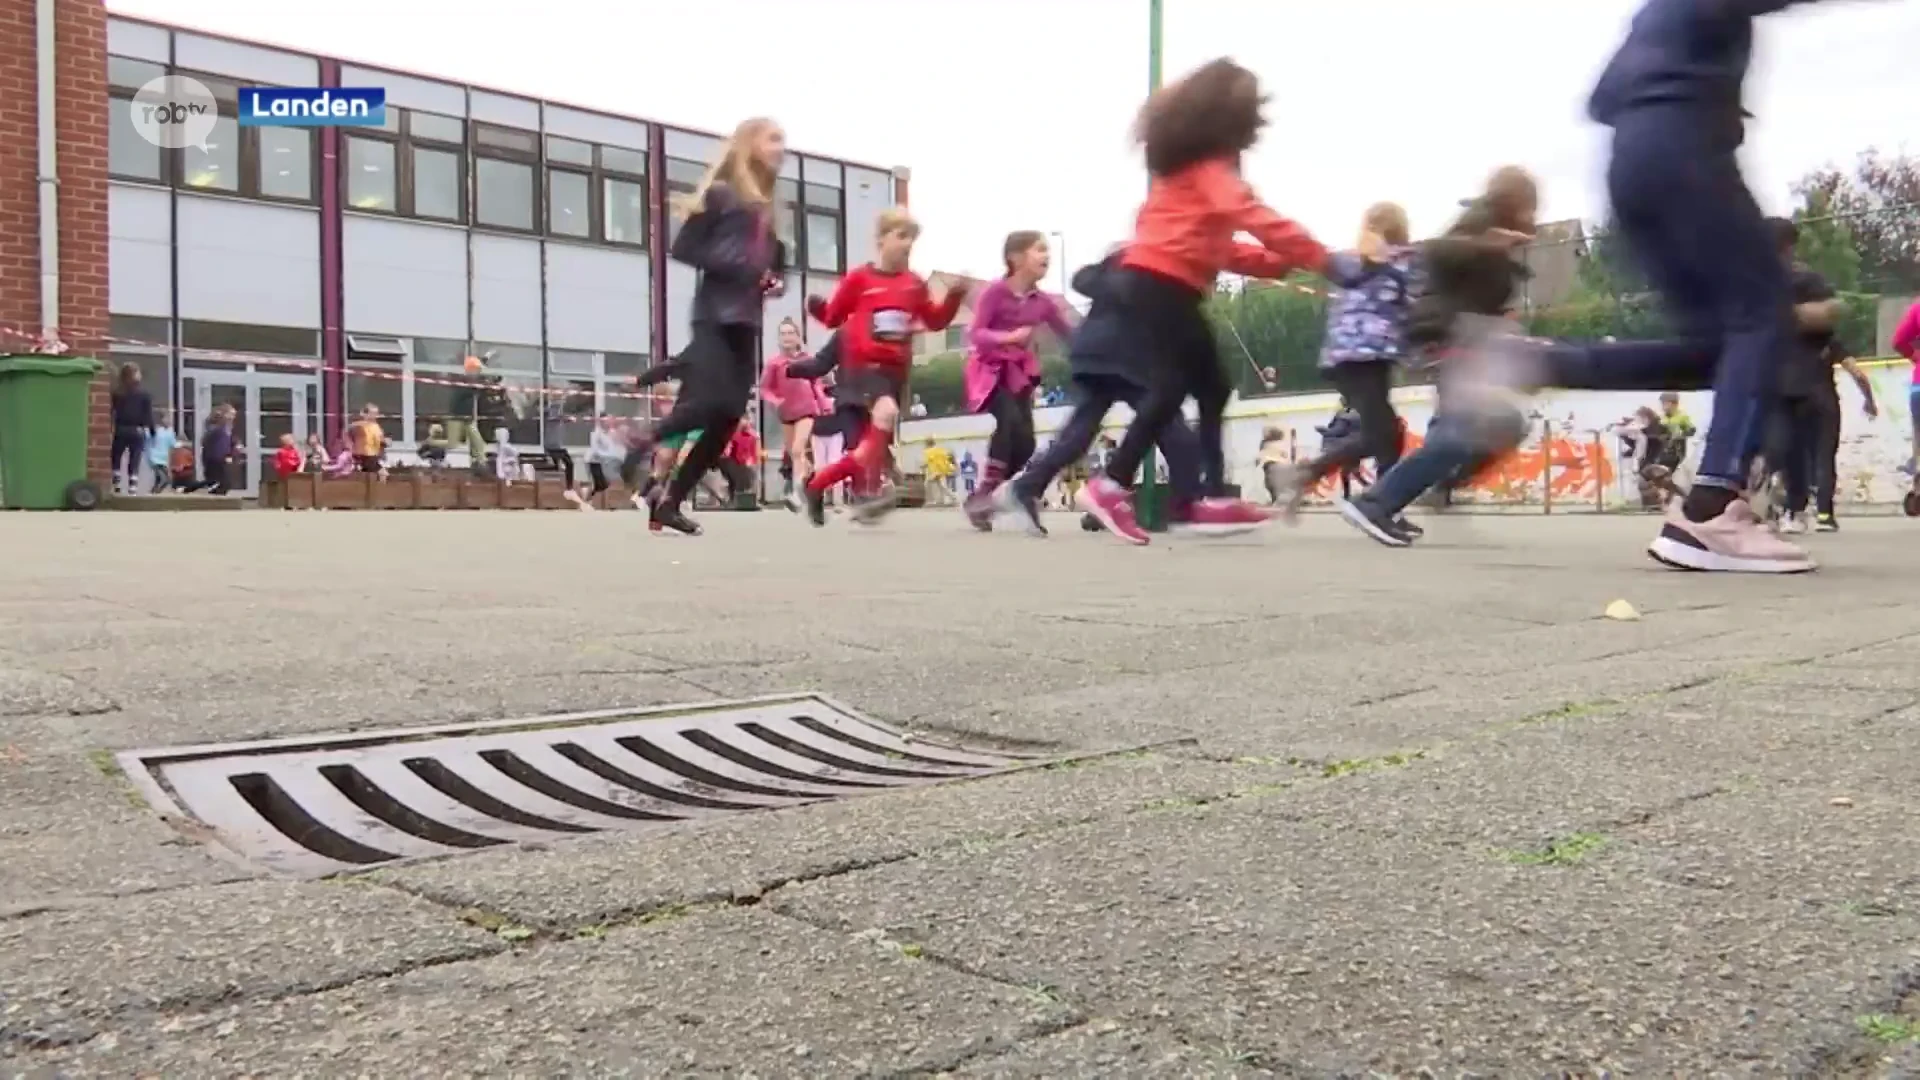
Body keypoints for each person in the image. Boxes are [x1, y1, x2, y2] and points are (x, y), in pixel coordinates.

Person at [1445, 0, 1848, 572]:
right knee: (1764, 316)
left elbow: (1604, 95)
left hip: (1630, 164)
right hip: (1685, 151)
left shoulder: (1652, 16)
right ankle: (1711, 507)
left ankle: (1534, 363)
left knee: (1721, 350)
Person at [1075, 58, 1329, 545]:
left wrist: (1279, 263)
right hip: (1158, 283)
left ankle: (1203, 499)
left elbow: (1219, 247)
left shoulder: (1192, 168)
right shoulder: (1211, 164)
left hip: (1158, 283)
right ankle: (1118, 487)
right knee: (1175, 386)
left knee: (1211, 387)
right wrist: (1321, 257)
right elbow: (1244, 212)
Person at [995, 250, 1223, 537]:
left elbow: (1084, 278)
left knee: (1079, 432)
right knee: (1168, 422)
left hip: (1094, 350)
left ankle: (1024, 487)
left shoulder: (1136, 254)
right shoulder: (1163, 260)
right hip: (1124, 355)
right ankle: (1189, 505)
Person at [646, 116, 789, 536]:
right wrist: (739, 266)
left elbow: (775, 262)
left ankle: (669, 503)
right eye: (774, 139)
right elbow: (684, 247)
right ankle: (638, 440)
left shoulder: (767, 206)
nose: (782, 148)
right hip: (715, 314)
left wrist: (774, 278)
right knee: (707, 405)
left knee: (727, 418)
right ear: (750, 145)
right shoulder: (723, 194)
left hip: (746, 321)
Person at [800, 207, 967, 527]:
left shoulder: (914, 284)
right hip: (864, 365)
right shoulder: (860, 279)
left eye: (912, 240)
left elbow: (935, 321)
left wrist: (954, 297)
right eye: (901, 237)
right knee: (885, 414)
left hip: (894, 372)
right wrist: (817, 308)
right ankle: (863, 492)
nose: (907, 245)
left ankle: (818, 485)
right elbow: (834, 317)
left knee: (869, 448)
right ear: (881, 240)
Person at [1276, 203, 1420, 535]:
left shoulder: (1369, 260)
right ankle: (1312, 474)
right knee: (1381, 433)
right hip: (1362, 358)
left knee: (1388, 433)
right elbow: (1414, 304)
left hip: (1356, 358)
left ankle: (1385, 505)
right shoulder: (1390, 261)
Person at [1758, 216, 1875, 534]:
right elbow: (1854, 368)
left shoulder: (1755, 287)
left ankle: (1782, 510)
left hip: (1778, 385)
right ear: (1790, 246)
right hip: (1817, 391)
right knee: (1823, 455)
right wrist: (1870, 401)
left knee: (1779, 449)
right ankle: (1820, 514)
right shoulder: (1824, 328)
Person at [962, 231, 1074, 530]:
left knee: (1025, 444)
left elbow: (1068, 333)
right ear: (1015, 258)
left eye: (1048, 250)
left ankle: (989, 497)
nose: (1046, 256)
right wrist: (1008, 337)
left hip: (1020, 373)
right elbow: (976, 334)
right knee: (1008, 421)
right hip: (990, 369)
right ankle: (987, 495)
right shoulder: (994, 293)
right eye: (1040, 249)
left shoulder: (1043, 302)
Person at [759, 318, 830, 510]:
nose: (787, 337)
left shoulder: (807, 359)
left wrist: (823, 403)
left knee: (798, 449)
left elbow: (816, 383)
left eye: (791, 333)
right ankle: (810, 481)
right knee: (795, 455)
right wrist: (776, 401)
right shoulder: (774, 363)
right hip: (786, 412)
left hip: (806, 410)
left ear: (798, 337)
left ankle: (797, 493)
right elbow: (764, 389)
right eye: (783, 334)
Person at [108, 362, 154, 495]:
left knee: (116, 455)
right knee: (135, 457)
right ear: (134, 375)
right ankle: (132, 485)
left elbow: (113, 411)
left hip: (121, 428)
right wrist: (152, 430)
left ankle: (116, 481)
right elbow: (148, 414)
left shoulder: (117, 393)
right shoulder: (144, 394)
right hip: (137, 429)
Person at [569, 415, 624, 511]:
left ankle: (589, 502)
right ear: (601, 422)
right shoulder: (595, 433)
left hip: (601, 461)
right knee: (596, 484)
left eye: (609, 421)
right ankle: (584, 503)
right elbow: (595, 449)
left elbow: (611, 448)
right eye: (605, 421)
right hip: (592, 460)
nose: (607, 423)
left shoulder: (611, 433)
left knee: (603, 485)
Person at [348, 405, 387, 474]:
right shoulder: (365, 426)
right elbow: (381, 440)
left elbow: (380, 441)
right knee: (382, 474)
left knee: (368, 475)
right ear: (366, 414)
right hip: (367, 455)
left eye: (376, 413)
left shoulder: (374, 426)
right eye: (373, 413)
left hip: (368, 455)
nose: (376, 415)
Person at [147, 420, 178, 494]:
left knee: (158, 478)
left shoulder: (155, 431)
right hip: (160, 459)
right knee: (166, 479)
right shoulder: (169, 433)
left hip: (153, 457)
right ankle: (156, 492)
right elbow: (174, 444)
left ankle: (152, 493)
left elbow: (148, 439)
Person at [923, 442, 955, 507]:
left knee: (927, 483)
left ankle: (953, 498)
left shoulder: (930, 451)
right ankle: (942, 500)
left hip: (936, 472)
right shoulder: (939, 450)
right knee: (941, 486)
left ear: (928, 444)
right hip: (940, 471)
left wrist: (923, 466)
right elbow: (943, 460)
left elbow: (929, 461)